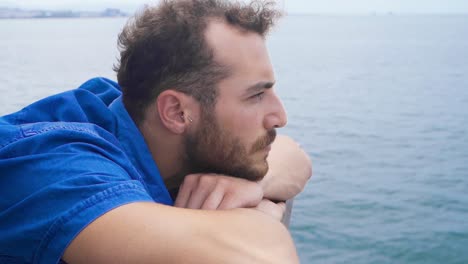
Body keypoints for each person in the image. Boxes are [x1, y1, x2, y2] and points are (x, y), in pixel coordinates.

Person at [0, 0, 312, 263]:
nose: (280, 117)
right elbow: (264, 256)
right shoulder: (58, 165)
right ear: (176, 112)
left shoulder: (137, 110)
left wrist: (254, 185)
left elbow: (295, 158)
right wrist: (259, 214)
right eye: (256, 96)